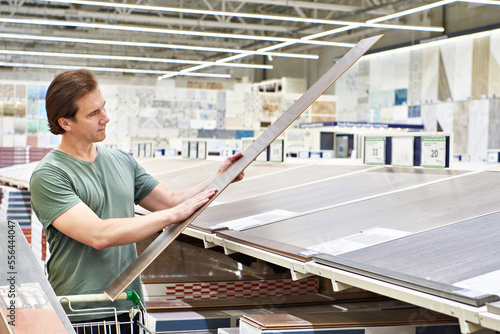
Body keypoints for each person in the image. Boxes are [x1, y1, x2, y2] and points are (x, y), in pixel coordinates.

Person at [29, 69, 244, 333]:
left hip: (128, 307)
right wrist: (173, 216)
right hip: (81, 313)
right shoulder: (50, 175)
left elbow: (170, 202)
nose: (105, 118)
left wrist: (220, 177)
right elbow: (99, 235)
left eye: (103, 108)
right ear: (66, 123)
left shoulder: (121, 161)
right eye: (93, 114)